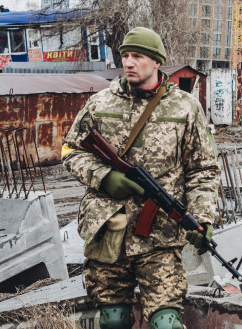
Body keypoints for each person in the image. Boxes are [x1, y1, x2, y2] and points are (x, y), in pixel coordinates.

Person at [62, 27, 220, 329]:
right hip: (109, 232)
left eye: (138, 56)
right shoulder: (100, 103)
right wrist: (105, 177)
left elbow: (203, 170)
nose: (129, 63)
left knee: (166, 322)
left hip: (159, 237)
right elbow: (70, 150)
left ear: (157, 61)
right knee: (113, 319)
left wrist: (201, 219)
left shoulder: (185, 107)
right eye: (126, 56)